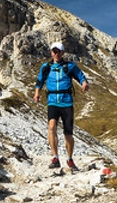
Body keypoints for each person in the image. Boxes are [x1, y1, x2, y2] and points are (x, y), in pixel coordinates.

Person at [33, 42, 89, 170]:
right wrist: (37, 93)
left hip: (66, 102)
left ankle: (69, 159)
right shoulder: (46, 67)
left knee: (68, 134)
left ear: (63, 53)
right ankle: (55, 157)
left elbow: (80, 76)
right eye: (54, 51)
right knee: (51, 127)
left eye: (58, 51)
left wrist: (84, 83)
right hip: (52, 101)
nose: (56, 53)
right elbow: (39, 81)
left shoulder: (70, 66)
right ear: (51, 52)